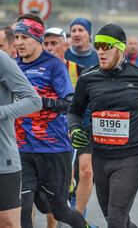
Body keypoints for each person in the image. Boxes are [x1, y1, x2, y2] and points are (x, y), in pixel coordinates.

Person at [67, 23, 138, 227]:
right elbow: (74, 111)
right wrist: (75, 129)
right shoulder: (88, 78)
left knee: (115, 219)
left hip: (129, 158)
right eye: (97, 46)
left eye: (106, 47)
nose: (100, 51)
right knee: (114, 218)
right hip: (100, 156)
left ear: (120, 48)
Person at [14, 13, 90, 228]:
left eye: (24, 38)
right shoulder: (12, 66)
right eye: (16, 37)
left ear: (37, 40)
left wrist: (39, 102)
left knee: (58, 210)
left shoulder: (54, 66)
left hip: (54, 149)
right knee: (23, 206)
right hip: (22, 148)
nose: (19, 43)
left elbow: (70, 104)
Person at [43, 27, 87, 228]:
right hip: (40, 133)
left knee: (71, 178)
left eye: (54, 43)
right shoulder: (35, 68)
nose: (49, 48)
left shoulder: (77, 70)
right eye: (46, 44)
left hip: (69, 132)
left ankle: (72, 211)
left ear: (65, 46)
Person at [0, 50, 42, 228]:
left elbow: (34, 101)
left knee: (8, 222)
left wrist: (2, 112)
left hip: (3, 159)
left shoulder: (2, 60)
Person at [65, 17, 99, 217]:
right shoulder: (62, 55)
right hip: (65, 121)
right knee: (67, 175)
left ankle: (78, 216)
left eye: (81, 30)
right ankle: (65, 207)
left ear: (89, 34)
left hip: (89, 122)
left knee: (86, 171)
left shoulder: (98, 58)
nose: (76, 34)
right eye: (73, 30)